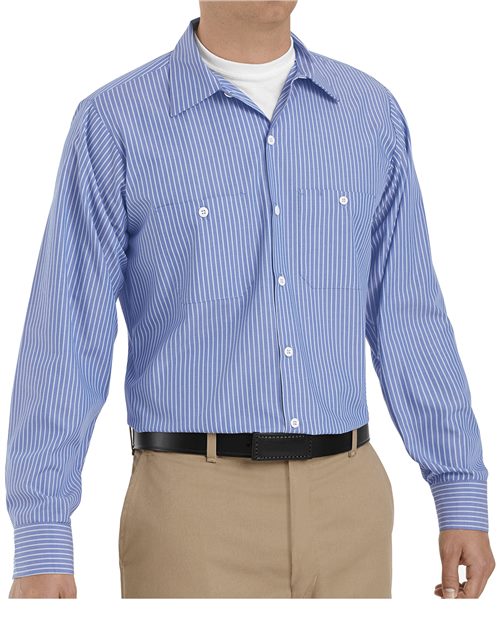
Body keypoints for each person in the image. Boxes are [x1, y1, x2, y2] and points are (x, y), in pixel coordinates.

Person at [6, 1, 495, 599]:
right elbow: (67, 332)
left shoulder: (369, 113)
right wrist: (42, 533)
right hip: (191, 515)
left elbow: (409, 316)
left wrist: (459, 490)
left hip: (350, 507)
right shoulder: (115, 121)